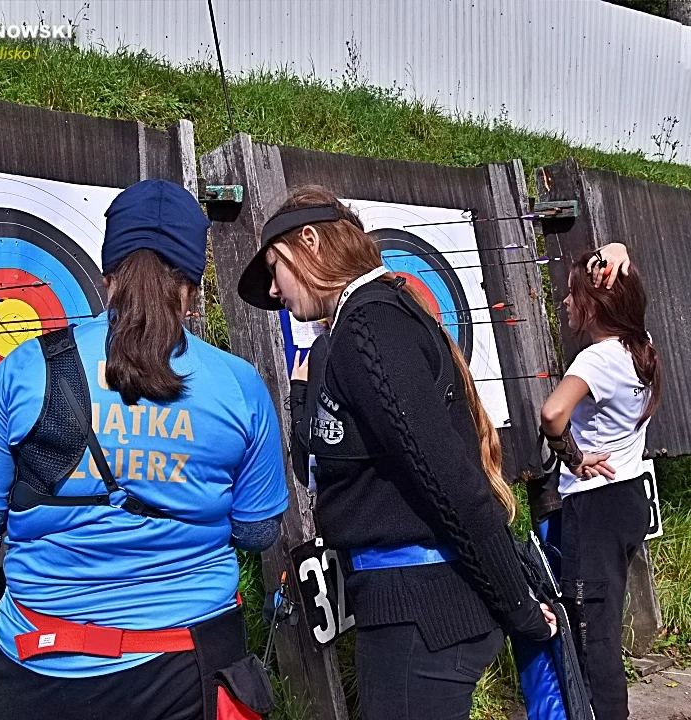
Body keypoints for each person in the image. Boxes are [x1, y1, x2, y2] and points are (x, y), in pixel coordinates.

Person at [0, 179, 288, 720]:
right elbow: (257, 531)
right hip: (189, 667)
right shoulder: (239, 384)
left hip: (42, 664)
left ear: (107, 277)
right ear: (193, 287)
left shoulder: (27, 368)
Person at [237, 185, 557, 720]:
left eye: (276, 267)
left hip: (424, 609)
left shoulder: (371, 325)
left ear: (310, 241)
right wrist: (300, 396)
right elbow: (323, 471)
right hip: (407, 605)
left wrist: (518, 604)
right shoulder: (358, 328)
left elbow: (448, 477)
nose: (274, 290)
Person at [539, 243, 660, 720]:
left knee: (595, 637)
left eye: (572, 295)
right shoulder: (640, 344)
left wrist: (573, 457)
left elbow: (552, 414)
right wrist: (616, 251)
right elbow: (620, 264)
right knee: (604, 622)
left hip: (595, 505)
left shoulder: (598, 359)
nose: (565, 304)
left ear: (594, 302)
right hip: (628, 500)